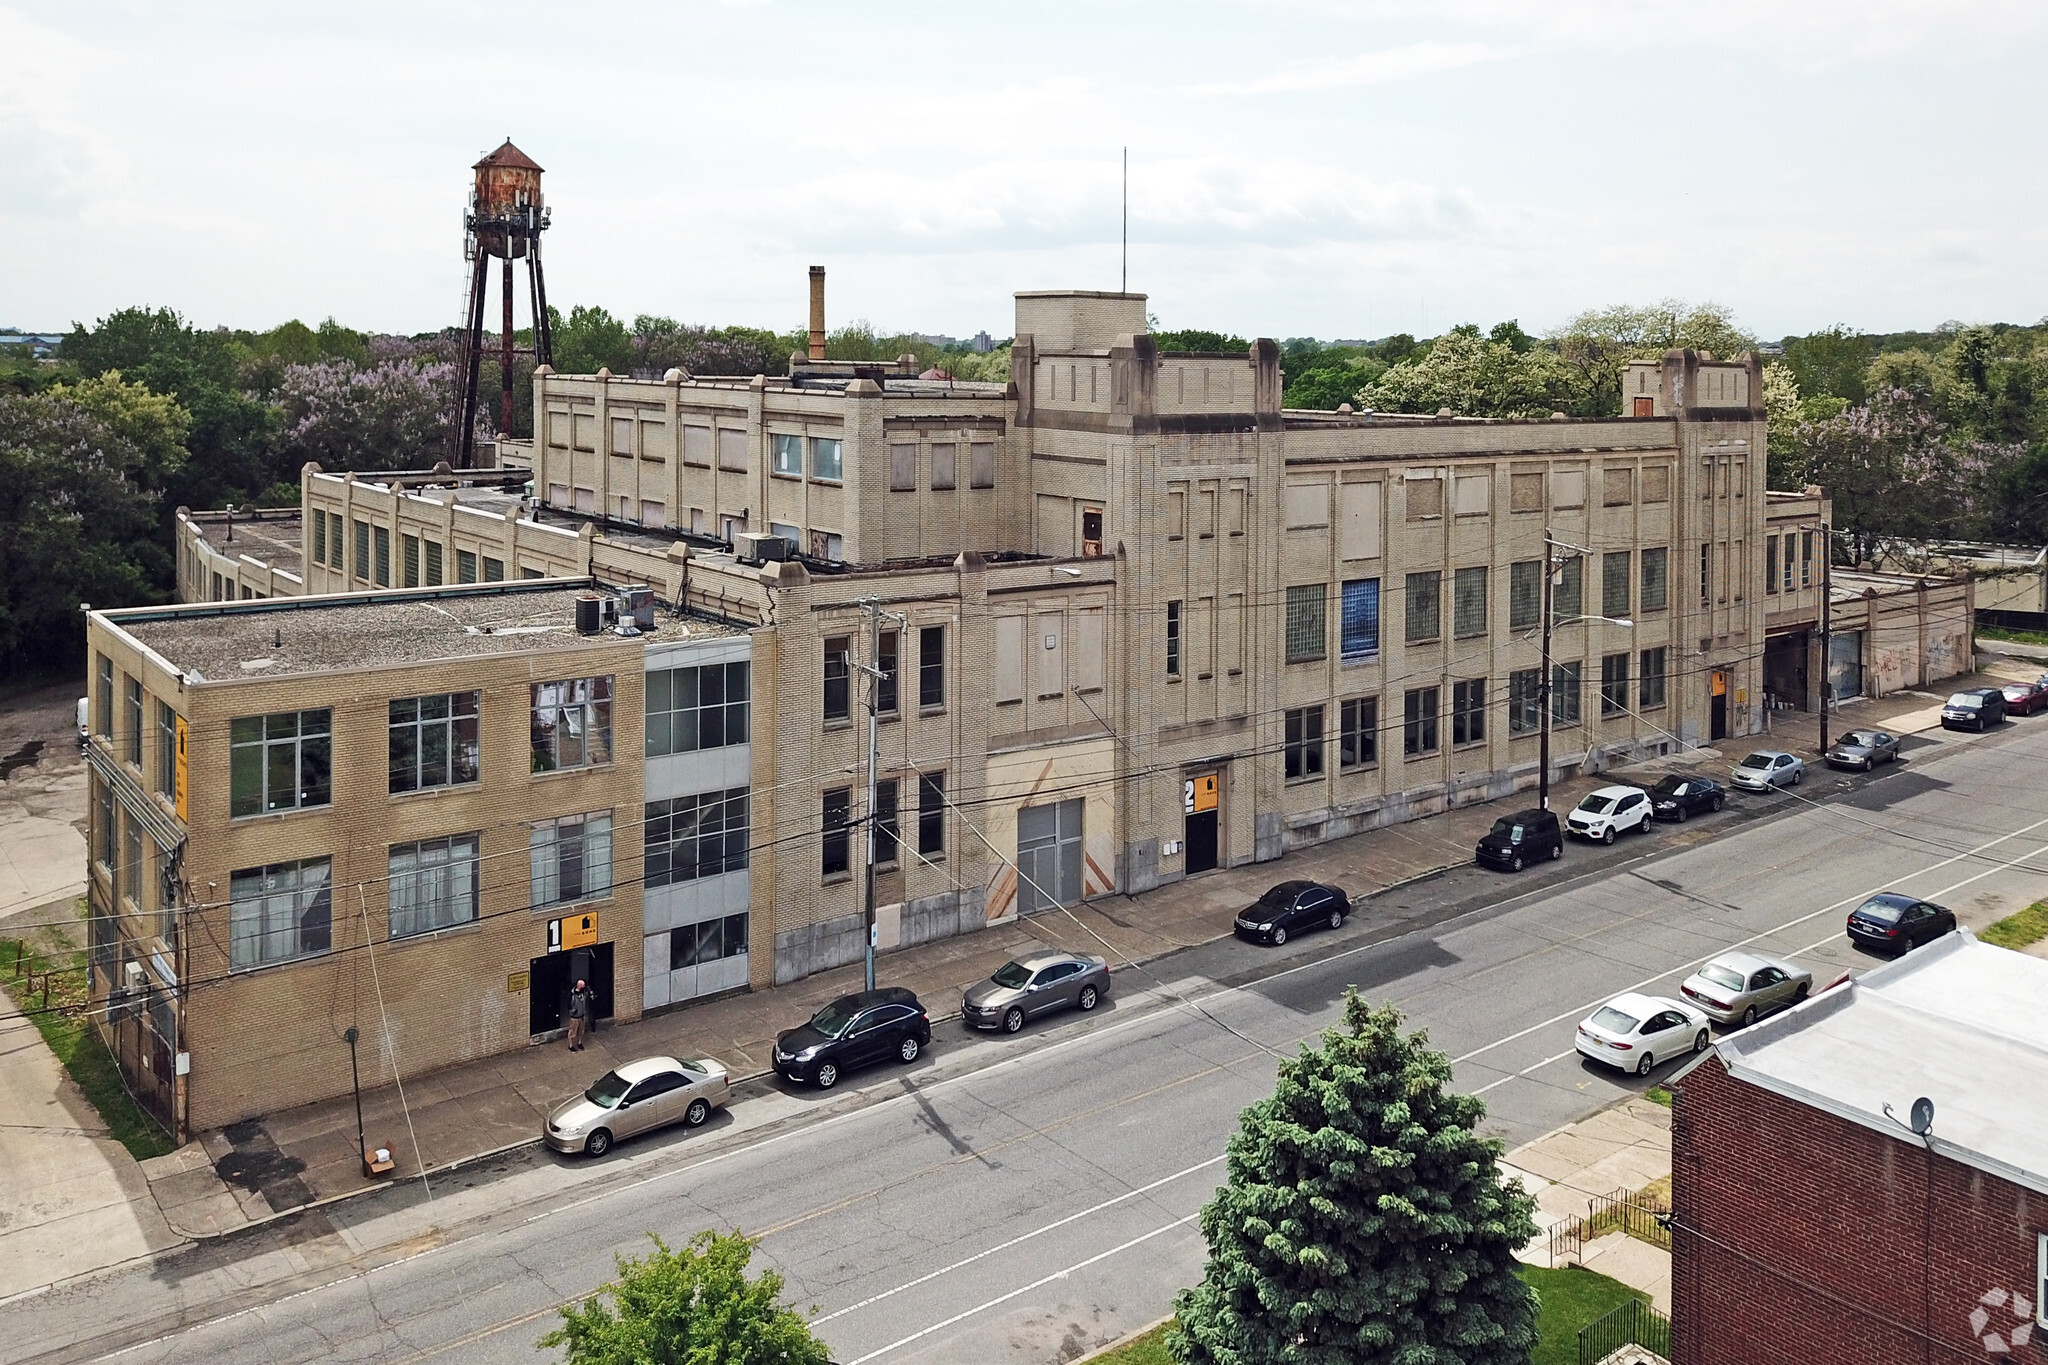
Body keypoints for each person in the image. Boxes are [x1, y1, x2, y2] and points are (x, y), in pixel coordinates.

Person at [566, 978, 591, 1051]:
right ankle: (570, 1046)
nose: (584, 986)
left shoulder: (583, 993)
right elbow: (568, 1005)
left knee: (581, 1031)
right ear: (579, 985)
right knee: (572, 1032)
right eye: (583, 985)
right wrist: (574, 1011)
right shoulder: (572, 995)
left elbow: (587, 996)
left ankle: (579, 1043)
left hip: (582, 1016)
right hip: (575, 1017)